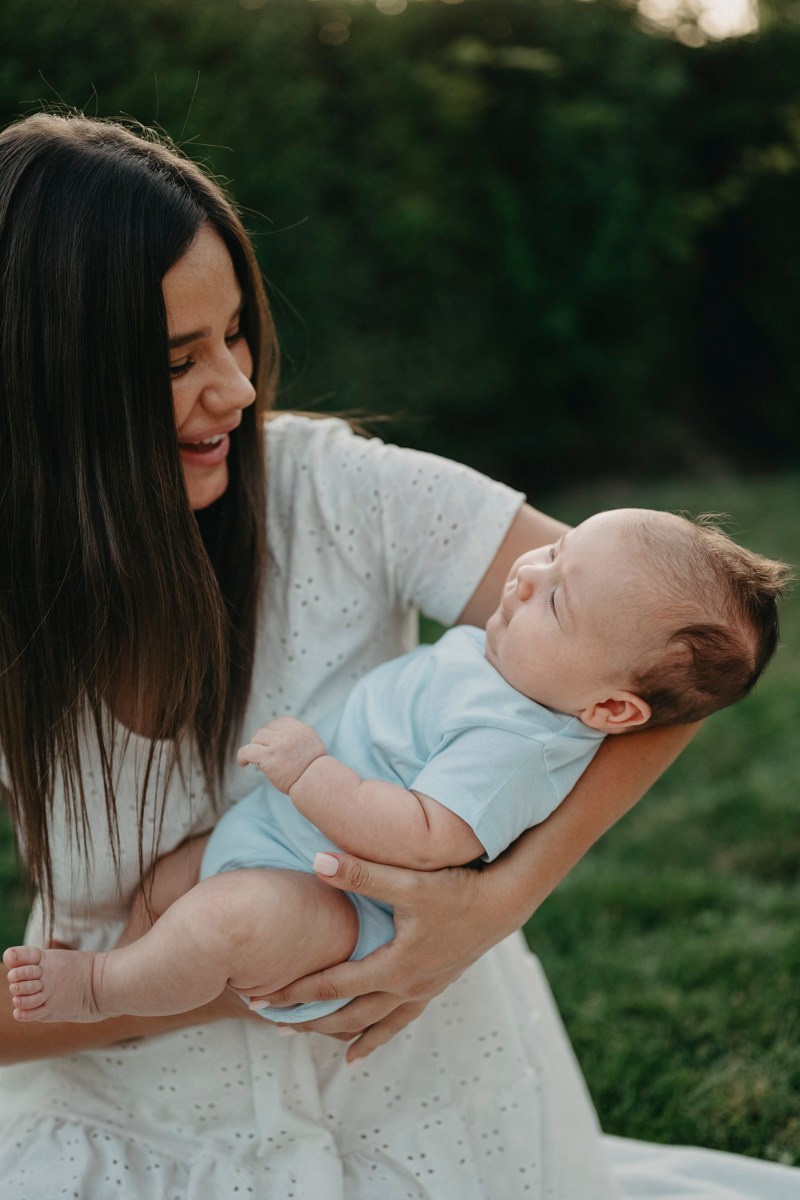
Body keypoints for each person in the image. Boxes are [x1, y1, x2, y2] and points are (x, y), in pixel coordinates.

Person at [0, 111, 796, 1200]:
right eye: (177, 360)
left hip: (402, 1060)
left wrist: (492, 904)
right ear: (41, 389)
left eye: (236, 334)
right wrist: (215, 979)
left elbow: (664, 661)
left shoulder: (341, 493)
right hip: (121, 1076)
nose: (235, 388)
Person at [4, 509, 788, 1029]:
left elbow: (425, 838)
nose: (525, 575)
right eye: (553, 551)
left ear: (611, 711)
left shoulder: (517, 743)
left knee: (219, 925)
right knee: (166, 890)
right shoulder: (507, 664)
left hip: (341, 906)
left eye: (557, 600)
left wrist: (312, 774)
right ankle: (138, 957)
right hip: (281, 842)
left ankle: (103, 993)